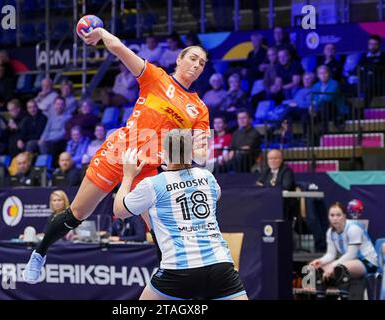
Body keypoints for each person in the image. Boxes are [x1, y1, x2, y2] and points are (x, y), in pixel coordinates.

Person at [23, 26, 210, 284]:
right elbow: (119, 49)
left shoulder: (199, 108)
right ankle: (40, 252)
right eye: (193, 58)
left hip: (150, 167)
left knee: (158, 229)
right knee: (77, 213)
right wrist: (100, 31)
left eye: (202, 63)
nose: (197, 65)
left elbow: (201, 152)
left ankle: (169, 284)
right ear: (179, 59)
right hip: (120, 150)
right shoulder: (156, 78)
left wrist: (190, 149)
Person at [113, 130, 248, 300]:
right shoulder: (207, 176)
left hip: (179, 269)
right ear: (191, 152)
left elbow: (119, 211)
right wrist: (174, 169)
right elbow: (212, 195)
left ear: (165, 152)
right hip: (219, 265)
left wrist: (127, 176)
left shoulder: (153, 184)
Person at [309, 202, 379, 299]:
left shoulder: (353, 228)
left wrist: (332, 265)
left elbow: (352, 254)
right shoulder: (330, 232)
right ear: (328, 217)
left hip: (368, 262)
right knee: (319, 268)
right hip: (350, 262)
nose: (335, 218)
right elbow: (330, 254)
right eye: (332, 215)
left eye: (338, 215)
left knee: (339, 268)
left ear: (344, 216)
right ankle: (320, 295)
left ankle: (344, 296)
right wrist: (320, 261)